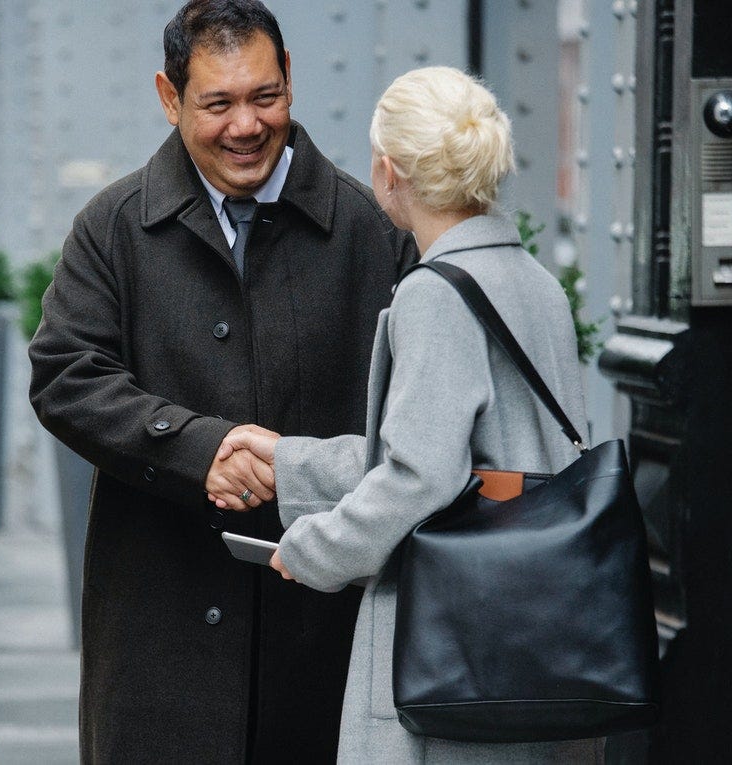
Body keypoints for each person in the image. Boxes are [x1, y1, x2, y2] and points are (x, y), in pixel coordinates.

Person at [27, 0, 416, 760]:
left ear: (292, 82)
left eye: (264, 96)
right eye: (218, 103)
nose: (246, 125)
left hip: (325, 646)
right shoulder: (113, 226)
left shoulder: (372, 231)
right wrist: (198, 447)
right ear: (169, 99)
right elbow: (66, 374)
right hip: (159, 639)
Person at [214, 68, 605, 761]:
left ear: (389, 173)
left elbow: (420, 476)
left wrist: (312, 549)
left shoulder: (434, 293)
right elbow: (482, 455)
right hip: (536, 630)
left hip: (452, 650)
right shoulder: (535, 282)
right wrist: (290, 459)